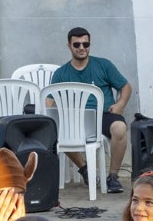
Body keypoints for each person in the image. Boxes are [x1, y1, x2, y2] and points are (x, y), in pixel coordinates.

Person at [51, 27, 132, 194]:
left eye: (85, 44)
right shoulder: (60, 73)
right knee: (56, 129)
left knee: (120, 128)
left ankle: (113, 176)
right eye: (77, 44)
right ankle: (85, 170)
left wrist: (120, 104)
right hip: (75, 117)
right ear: (69, 46)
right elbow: (49, 101)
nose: (82, 48)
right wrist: (50, 113)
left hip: (104, 114)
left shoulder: (103, 65)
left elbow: (125, 86)